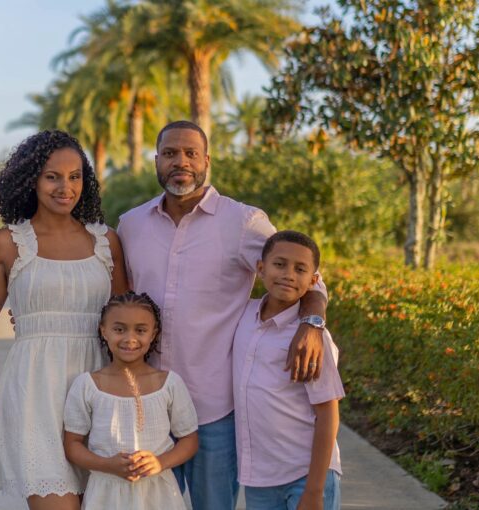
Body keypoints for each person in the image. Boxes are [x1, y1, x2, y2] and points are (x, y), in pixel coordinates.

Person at [117, 120, 329, 509]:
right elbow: (116, 301)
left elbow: (304, 275)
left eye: (190, 153)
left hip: (213, 409)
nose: (180, 161)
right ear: (156, 161)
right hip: (145, 403)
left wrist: (311, 323)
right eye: (169, 153)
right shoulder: (131, 225)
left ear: (206, 160)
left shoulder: (243, 222)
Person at [0, 130, 128, 510]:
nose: (66, 187)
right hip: (33, 392)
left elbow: (127, 320)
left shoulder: (106, 241)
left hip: (99, 392)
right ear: (31, 180)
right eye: (52, 176)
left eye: (75, 176)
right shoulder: (8, 243)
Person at [234, 231, 343, 510]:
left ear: (314, 281)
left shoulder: (313, 340)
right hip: (259, 477)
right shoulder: (243, 316)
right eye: (279, 264)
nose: (289, 275)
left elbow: (328, 412)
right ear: (260, 268)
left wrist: (314, 491)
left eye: (300, 269)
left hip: (305, 474)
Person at [64, 291, 199, 510]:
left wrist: (159, 462)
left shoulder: (169, 383)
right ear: (104, 331)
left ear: (153, 333)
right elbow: (72, 444)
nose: (130, 338)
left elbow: (189, 440)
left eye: (140, 330)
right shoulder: (88, 385)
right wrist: (107, 465)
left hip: (159, 495)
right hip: (106, 496)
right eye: (119, 329)